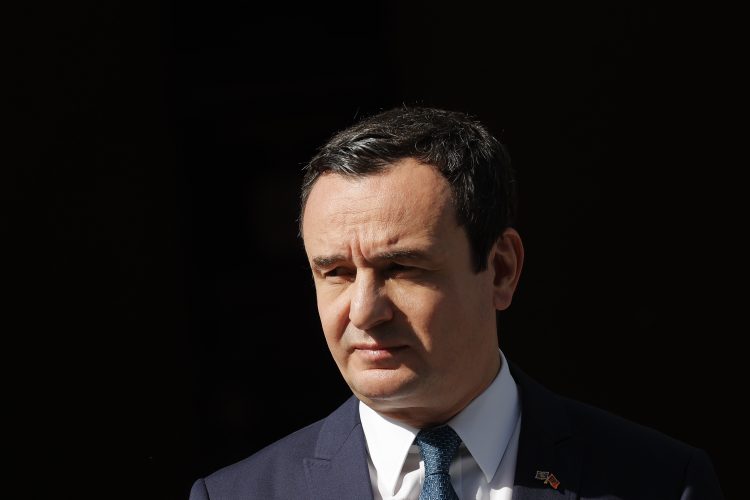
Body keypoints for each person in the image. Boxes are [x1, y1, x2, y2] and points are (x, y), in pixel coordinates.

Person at [189, 107, 723, 499]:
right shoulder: (237, 495)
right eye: (336, 273)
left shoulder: (660, 482)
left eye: (403, 268)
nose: (364, 310)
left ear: (502, 269)